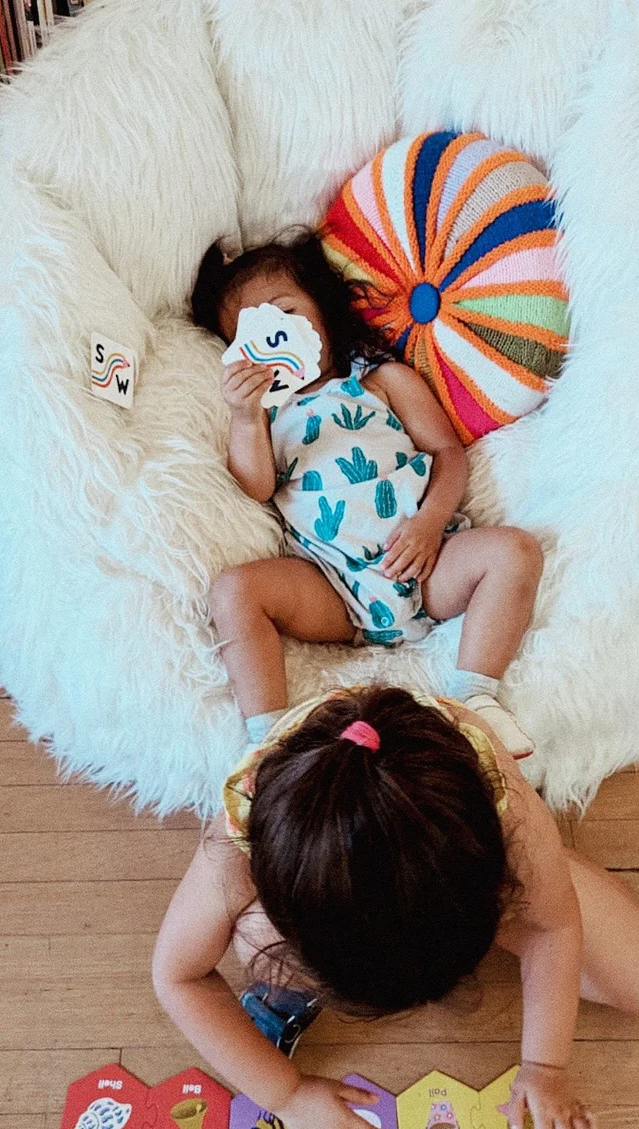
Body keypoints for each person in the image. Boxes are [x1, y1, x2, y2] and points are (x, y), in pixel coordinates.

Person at [152, 686, 639, 1129]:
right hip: (329, 848)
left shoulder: (507, 813)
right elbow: (178, 976)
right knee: (254, 941)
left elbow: (554, 925)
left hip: (461, 834)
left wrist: (545, 1065)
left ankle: (540, 875)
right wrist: (285, 1095)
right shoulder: (238, 840)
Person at [191, 232, 543, 758]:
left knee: (515, 551)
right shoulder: (267, 415)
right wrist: (245, 415)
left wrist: (430, 523)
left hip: (426, 564)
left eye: (287, 314)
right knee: (233, 592)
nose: (275, 339)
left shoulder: (380, 381)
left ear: (323, 311)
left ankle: (476, 698)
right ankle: (268, 741)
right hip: (334, 587)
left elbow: (447, 452)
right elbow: (256, 487)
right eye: (252, 335)